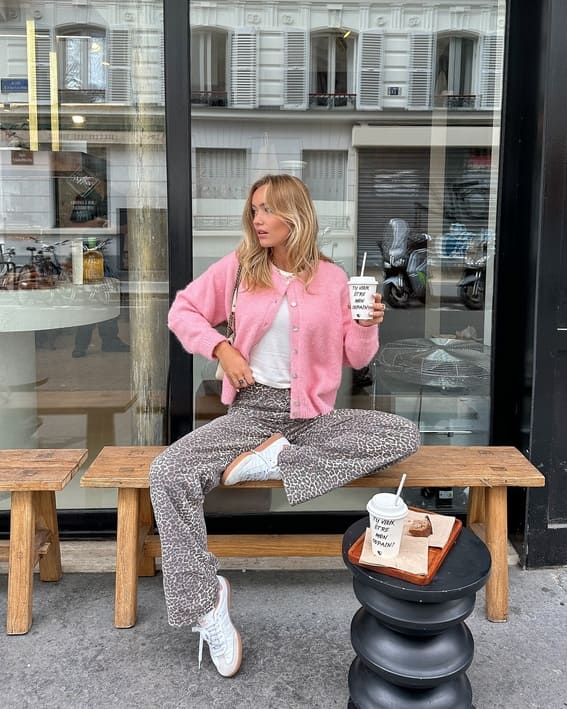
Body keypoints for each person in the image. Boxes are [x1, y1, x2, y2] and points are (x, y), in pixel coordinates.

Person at [149, 174, 420, 677]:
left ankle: (278, 460)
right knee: (168, 473)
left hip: (313, 418)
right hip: (252, 411)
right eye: (253, 210)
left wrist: (367, 324)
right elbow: (183, 311)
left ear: (295, 215)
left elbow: (355, 356)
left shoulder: (335, 279)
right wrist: (221, 348)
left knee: (401, 434)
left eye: (268, 210)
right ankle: (206, 603)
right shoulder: (238, 270)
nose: (257, 220)